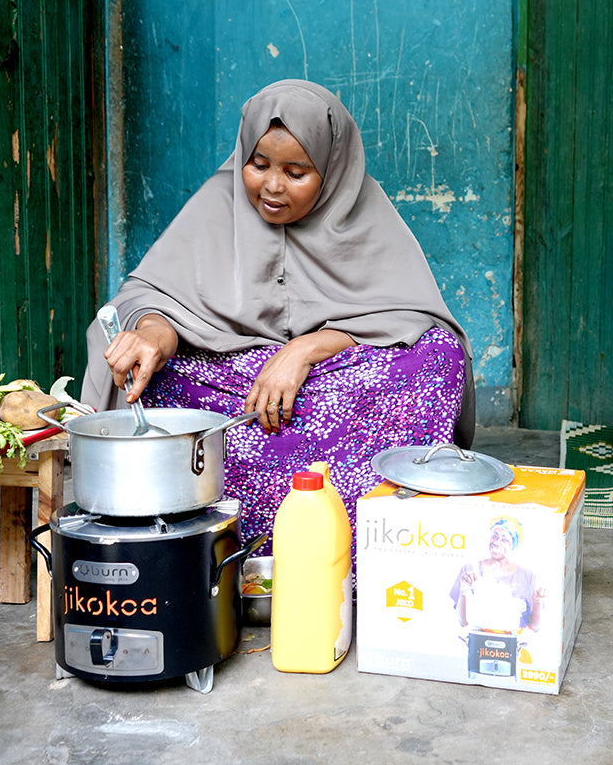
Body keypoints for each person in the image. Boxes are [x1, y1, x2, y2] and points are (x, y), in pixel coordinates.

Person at [80, 80, 475, 556]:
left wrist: (306, 349)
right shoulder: (216, 204)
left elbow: (410, 315)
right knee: (146, 373)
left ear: (331, 170)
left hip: (331, 381)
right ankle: (214, 532)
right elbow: (152, 296)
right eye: (259, 164)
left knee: (437, 356)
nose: (271, 185)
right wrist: (152, 334)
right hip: (236, 386)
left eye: (296, 171)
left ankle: (376, 536)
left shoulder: (365, 216)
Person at [449, 517, 544, 632]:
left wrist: (538, 601)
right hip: (477, 643)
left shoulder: (527, 576)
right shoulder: (470, 570)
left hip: (513, 646)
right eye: (495, 536)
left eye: (504, 539)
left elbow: (535, 627)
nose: (496, 542)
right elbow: (462, 622)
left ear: (512, 545)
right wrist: (464, 590)